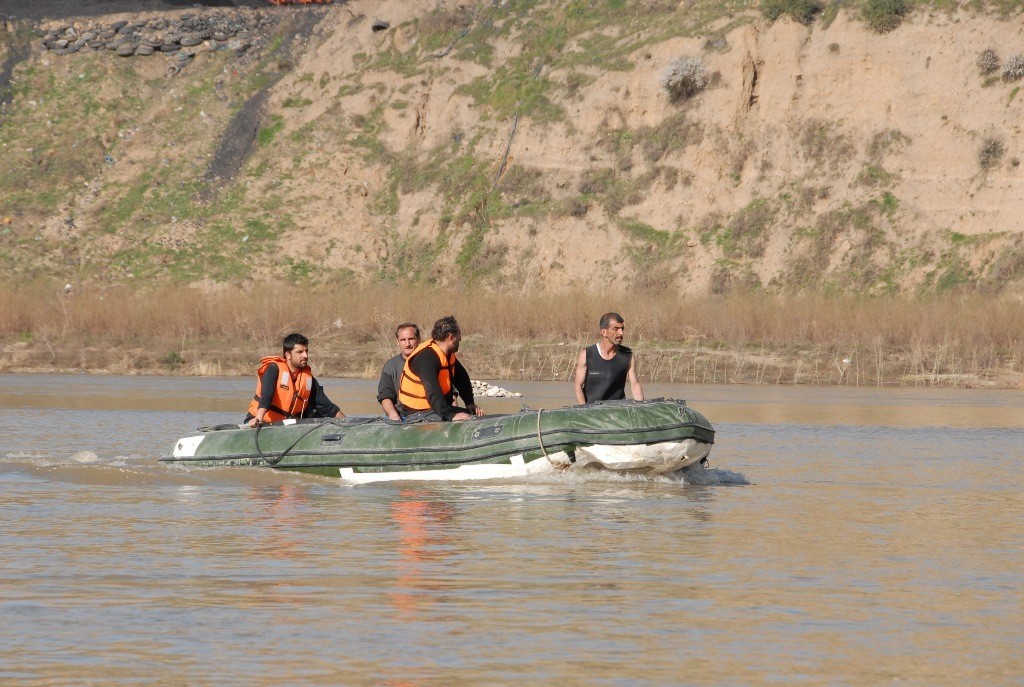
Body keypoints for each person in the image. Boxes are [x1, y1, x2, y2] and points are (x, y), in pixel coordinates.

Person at [243, 332, 346, 426]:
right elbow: (266, 397)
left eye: (306, 351)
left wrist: (348, 423)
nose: (305, 355)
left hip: (285, 425)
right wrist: (258, 418)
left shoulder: (308, 379)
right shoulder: (273, 369)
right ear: (288, 355)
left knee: (316, 413)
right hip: (260, 422)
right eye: (300, 352)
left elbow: (328, 408)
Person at [397, 315, 485, 422]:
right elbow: (432, 389)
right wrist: (449, 415)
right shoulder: (426, 357)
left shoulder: (447, 355)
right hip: (416, 412)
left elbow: (462, 379)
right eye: (459, 335)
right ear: (451, 337)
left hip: (435, 409)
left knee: (474, 415)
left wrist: (469, 403)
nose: (460, 339)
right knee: (466, 419)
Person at [573, 312, 645, 404]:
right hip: (591, 410)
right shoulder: (587, 354)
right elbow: (578, 385)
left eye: (622, 328)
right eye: (616, 329)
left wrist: (640, 406)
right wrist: (584, 409)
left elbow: (634, 385)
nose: (621, 333)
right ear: (604, 332)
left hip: (617, 410)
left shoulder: (627, 356)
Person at [377, 322, 421, 421]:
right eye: (403, 340)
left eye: (411, 339)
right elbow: (385, 396)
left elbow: (451, 393)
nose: (407, 344)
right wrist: (393, 415)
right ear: (398, 342)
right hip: (402, 416)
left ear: (419, 339)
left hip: (429, 415)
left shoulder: (431, 362)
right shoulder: (390, 366)